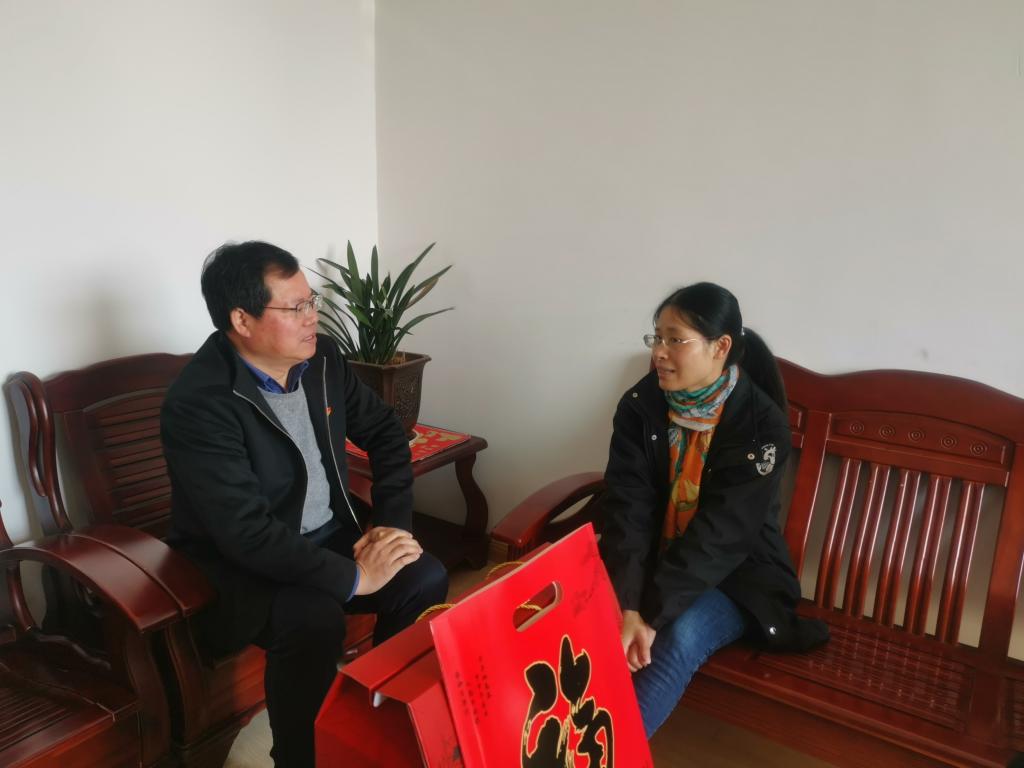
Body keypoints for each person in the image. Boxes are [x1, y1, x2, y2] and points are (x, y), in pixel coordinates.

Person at [161, 241, 448, 768]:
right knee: (314, 619)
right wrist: (356, 577)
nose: (313, 317)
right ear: (242, 320)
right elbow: (246, 534)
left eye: (311, 301)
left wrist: (391, 529)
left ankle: (379, 713)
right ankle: (300, 757)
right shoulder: (200, 403)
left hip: (326, 534)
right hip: (241, 563)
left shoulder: (322, 360)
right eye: (296, 308)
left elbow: (386, 432)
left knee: (422, 575)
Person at [598, 281, 828, 738]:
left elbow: (722, 536)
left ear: (720, 347)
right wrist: (627, 604)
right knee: (583, 613)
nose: (659, 352)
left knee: (676, 638)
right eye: (657, 337)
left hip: (737, 576)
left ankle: (605, 753)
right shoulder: (642, 407)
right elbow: (628, 507)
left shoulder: (761, 426)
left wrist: (647, 614)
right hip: (655, 563)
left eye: (675, 340)